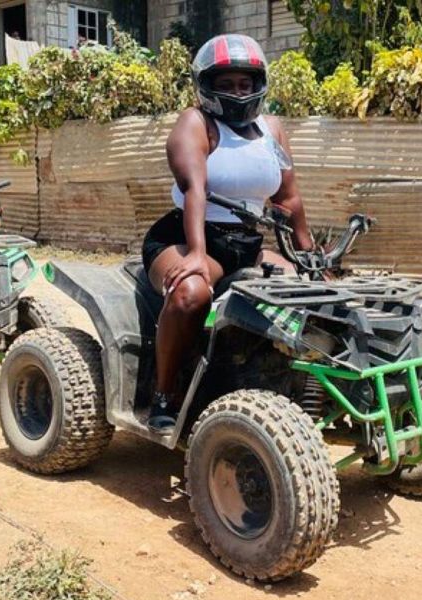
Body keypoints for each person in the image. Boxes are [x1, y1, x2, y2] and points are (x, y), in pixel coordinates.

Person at [142, 34, 314, 434]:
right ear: (206, 86)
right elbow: (194, 189)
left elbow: (288, 200)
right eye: (225, 84)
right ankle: (163, 395)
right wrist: (197, 254)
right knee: (191, 295)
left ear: (258, 85)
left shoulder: (271, 129)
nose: (237, 93)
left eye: (245, 83)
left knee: (304, 291)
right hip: (185, 237)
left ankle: (279, 385)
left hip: (246, 244)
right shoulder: (196, 122)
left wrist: (311, 258)